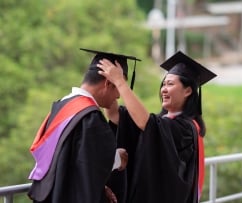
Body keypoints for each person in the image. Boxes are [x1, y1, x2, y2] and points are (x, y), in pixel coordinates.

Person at [97, 51, 217, 203]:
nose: (164, 89)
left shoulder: (186, 129)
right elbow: (115, 115)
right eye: (163, 84)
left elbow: (148, 124)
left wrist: (120, 81)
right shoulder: (162, 122)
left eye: (170, 84)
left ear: (187, 91)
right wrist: (110, 80)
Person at [27, 48, 139, 203]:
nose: (118, 96)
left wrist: (101, 187)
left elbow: (69, 163)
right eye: (118, 88)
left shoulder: (62, 106)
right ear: (108, 83)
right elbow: (90, 163)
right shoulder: (90, 116)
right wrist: (117, 158)